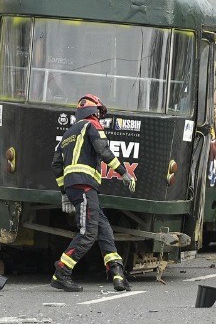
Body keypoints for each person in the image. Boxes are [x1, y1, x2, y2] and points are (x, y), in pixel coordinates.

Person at [50, 94, 137, 292]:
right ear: (93, 111)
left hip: (77, 188)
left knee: (103, 228)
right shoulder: (92, 125)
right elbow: (103, 150)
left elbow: (56, 164)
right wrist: (123, 172)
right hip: (85, 187)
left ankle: (117, 274)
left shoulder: (68, 134)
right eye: (99, 112)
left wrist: (64, 192)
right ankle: (61, 272)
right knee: (88, 232)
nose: (100, 116)